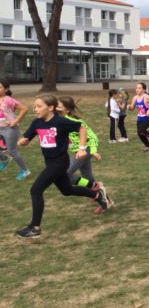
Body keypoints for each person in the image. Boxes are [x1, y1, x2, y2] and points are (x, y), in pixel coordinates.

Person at [15, 94, 111, 238]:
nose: (35, 109)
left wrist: (82, 148)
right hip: (49, 161)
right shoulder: (37, 123)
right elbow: (27, 139)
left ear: (51, 107)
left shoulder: (61, 121)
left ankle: (35, 228)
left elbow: (82, 129)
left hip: (60, 162)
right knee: (67, 190)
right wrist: (22, 141)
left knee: (36, 190)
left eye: (39, 106)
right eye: (35, 106)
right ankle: (98, 195)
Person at [56, 96, 113, 213]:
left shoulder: (75, 122)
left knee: (66, 175)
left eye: (59, 105)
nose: (56, 107)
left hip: (84, 151)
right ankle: (106, 199)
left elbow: (92, 137)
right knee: (87, 177)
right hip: (77, 151)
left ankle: (96, 189)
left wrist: (93, 151)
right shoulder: (60, 119)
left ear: (67, 109)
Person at [0, 79, 30, 181]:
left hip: (10, 129)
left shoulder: (8, 100)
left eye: (0, 87)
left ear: (6, 89)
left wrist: (16, 121)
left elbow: (24, 108)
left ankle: (25, 170)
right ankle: (4, 159)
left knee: (12, 151)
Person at [128, 82, 149, 152]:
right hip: (140, 118)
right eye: (136, 88)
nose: (137, 89)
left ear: (144, 90)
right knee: (139, 133)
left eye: (139, 88)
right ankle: (148, 146)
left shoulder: (146, 97)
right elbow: (132, 107)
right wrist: (129, 107)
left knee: (141, 131)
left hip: (148, 117)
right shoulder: (135, 98)